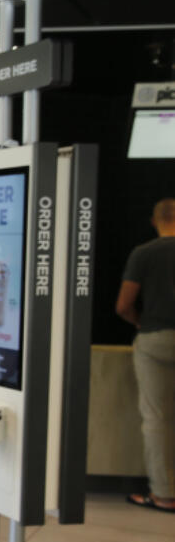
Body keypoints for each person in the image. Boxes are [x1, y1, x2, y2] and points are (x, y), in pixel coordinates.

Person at [116, 198, 175, 513]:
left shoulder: (144, 254)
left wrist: (142, 322)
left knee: (155, 419)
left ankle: (163, 494)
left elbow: (124, 305)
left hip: (153, 340)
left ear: (155, 221)